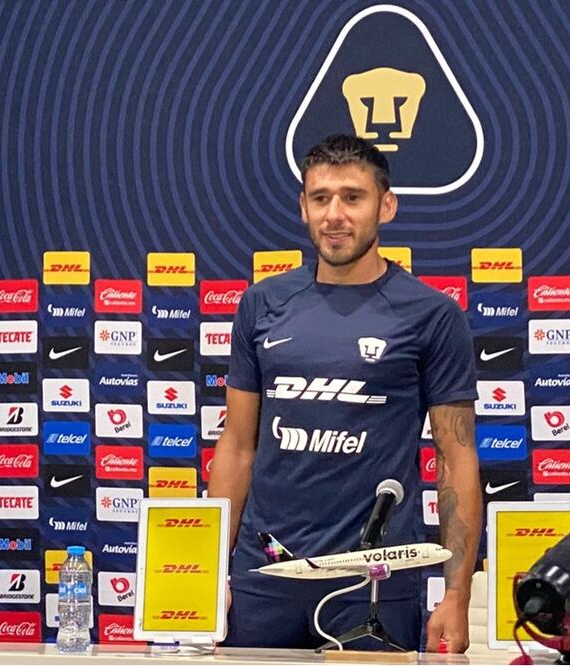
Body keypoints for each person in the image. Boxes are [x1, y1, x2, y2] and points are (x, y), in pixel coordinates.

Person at [208, 134, 482, 653]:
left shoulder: (432, 316)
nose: (335, 214)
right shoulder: (261, 304)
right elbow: (238, 447)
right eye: (321, 197)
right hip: (265, 576)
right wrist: (210, 570)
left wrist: (457, 594)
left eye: (352, 197)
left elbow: (457, 458)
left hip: (375, 585)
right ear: (303, 207)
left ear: (387, 205)